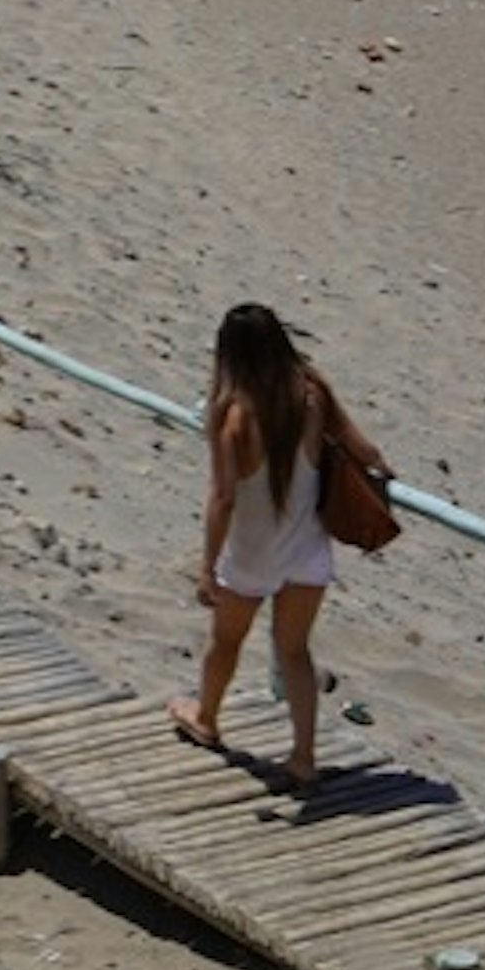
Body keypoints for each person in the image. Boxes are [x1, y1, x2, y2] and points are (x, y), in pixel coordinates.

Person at [176, 302, 379, 791]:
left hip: (251, 551)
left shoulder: (234, 416)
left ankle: (206, 717)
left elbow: (223, 498)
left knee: (226, 641)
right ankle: (303, 756)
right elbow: (366, 451)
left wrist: (207, 567)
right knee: (294, 653)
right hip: (306, 549)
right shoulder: (312, 394)